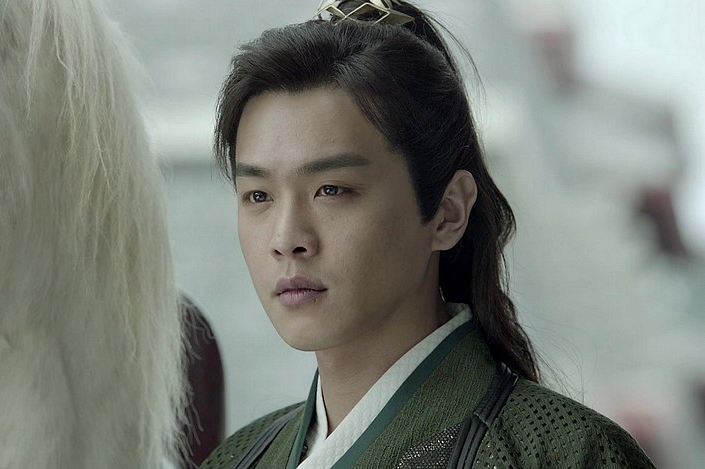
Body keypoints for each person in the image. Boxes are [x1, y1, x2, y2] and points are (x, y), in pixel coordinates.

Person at [201, 1, 656, 467]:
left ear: (447, 212)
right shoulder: (235, 459)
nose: (286, 239)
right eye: (258, 196)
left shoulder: (564, 454)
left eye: (331, 190)